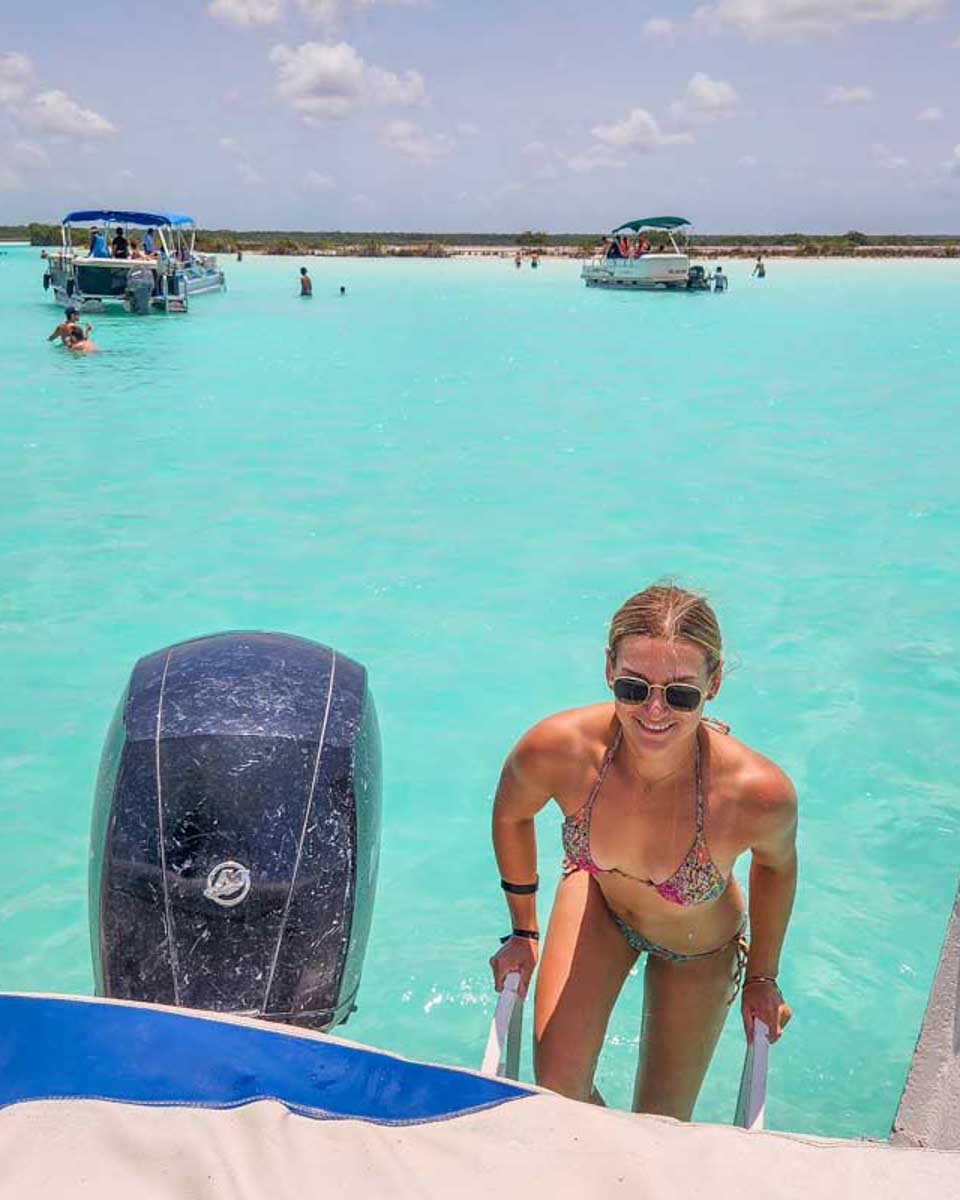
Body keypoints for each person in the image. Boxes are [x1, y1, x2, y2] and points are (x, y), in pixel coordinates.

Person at [490, 584, 796, 1120]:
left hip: (697, 949)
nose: (655, 711)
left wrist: (763, 977)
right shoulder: (558, 748)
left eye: (681, 695)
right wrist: (523, 931)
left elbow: (777, 864)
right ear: (609, 670)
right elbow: (513, 811)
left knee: (659, 1125)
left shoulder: (755, 791)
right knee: (558, 1092)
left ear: (714, 682)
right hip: (598, 904)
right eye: (634, 688)